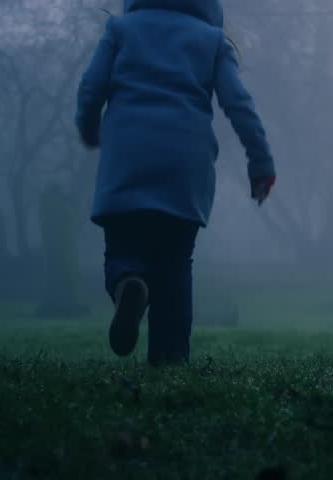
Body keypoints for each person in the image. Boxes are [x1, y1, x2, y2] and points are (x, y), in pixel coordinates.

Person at [75, 0, 276, 366]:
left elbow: (91, 86)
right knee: (174, 265)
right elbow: (239, 104)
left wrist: (89, 126)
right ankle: (169, 360)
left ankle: (129, 283)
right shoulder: (212, 41)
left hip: (126, 161)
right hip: (184, 170)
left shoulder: (121, 30)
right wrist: (260, 162)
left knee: (122, 250)